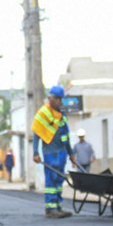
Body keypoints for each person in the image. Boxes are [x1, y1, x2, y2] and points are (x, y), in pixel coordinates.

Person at [32, 86, 73, 218]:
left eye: (60, 99)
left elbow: (66, 137)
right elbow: (36, 134)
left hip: (62, 152)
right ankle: (50, 209)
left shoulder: (62, 116)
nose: (58, 101)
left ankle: (58, 206)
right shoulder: (43, 114)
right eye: (56, 98)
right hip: (50, 152)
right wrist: (35, 153)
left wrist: (71, 153)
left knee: (59, 180)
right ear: (50, 98)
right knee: (51, 180)